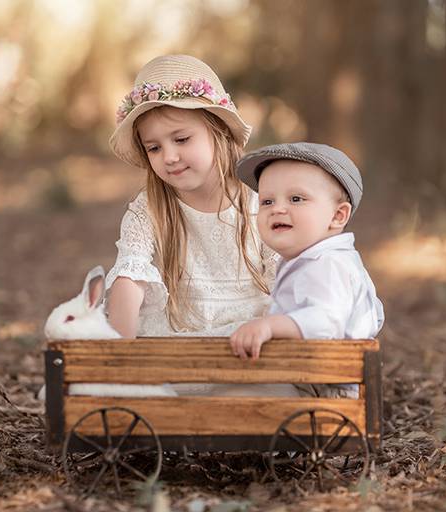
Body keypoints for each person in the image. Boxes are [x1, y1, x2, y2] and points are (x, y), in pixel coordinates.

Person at [105, 55, 291, 396]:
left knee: (274, 388)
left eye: (181, 139)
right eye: (154, 148)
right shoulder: (149, 209)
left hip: (245, 345)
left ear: (218, 131)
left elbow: (287, 283)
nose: (169, 157)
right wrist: (120, 358)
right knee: (150, 385)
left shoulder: (258, 202)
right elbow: (129, 278)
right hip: (179, 344)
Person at [229, 142, 385, 398]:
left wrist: (269, 326)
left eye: (296, 199)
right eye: (267, 201)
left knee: (231, 398)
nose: (277, 208)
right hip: (310, 376)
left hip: (326, 389)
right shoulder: (312, 260)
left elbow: (326, 323)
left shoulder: (327, 264)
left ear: (337, 216)